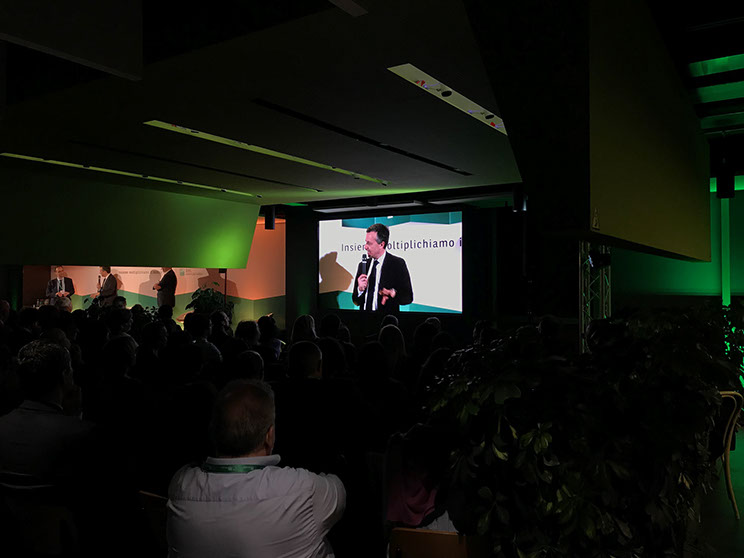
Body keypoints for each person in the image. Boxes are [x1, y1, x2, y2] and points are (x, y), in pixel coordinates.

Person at [167, 380, 346, 558]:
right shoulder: (301, 488)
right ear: (269, 436)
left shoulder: (181, 485)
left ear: (213, 432)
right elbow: (338, 492)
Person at [352, 223, 413, 314]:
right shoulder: (363, 265)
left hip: (385, 319)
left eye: (369, 243)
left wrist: (393, 293)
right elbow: (356, 301)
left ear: (381, 244)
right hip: (363, 319)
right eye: (365, 242)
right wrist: (360, 290)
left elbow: (408, 297)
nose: (365, 247)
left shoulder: (397, 264)